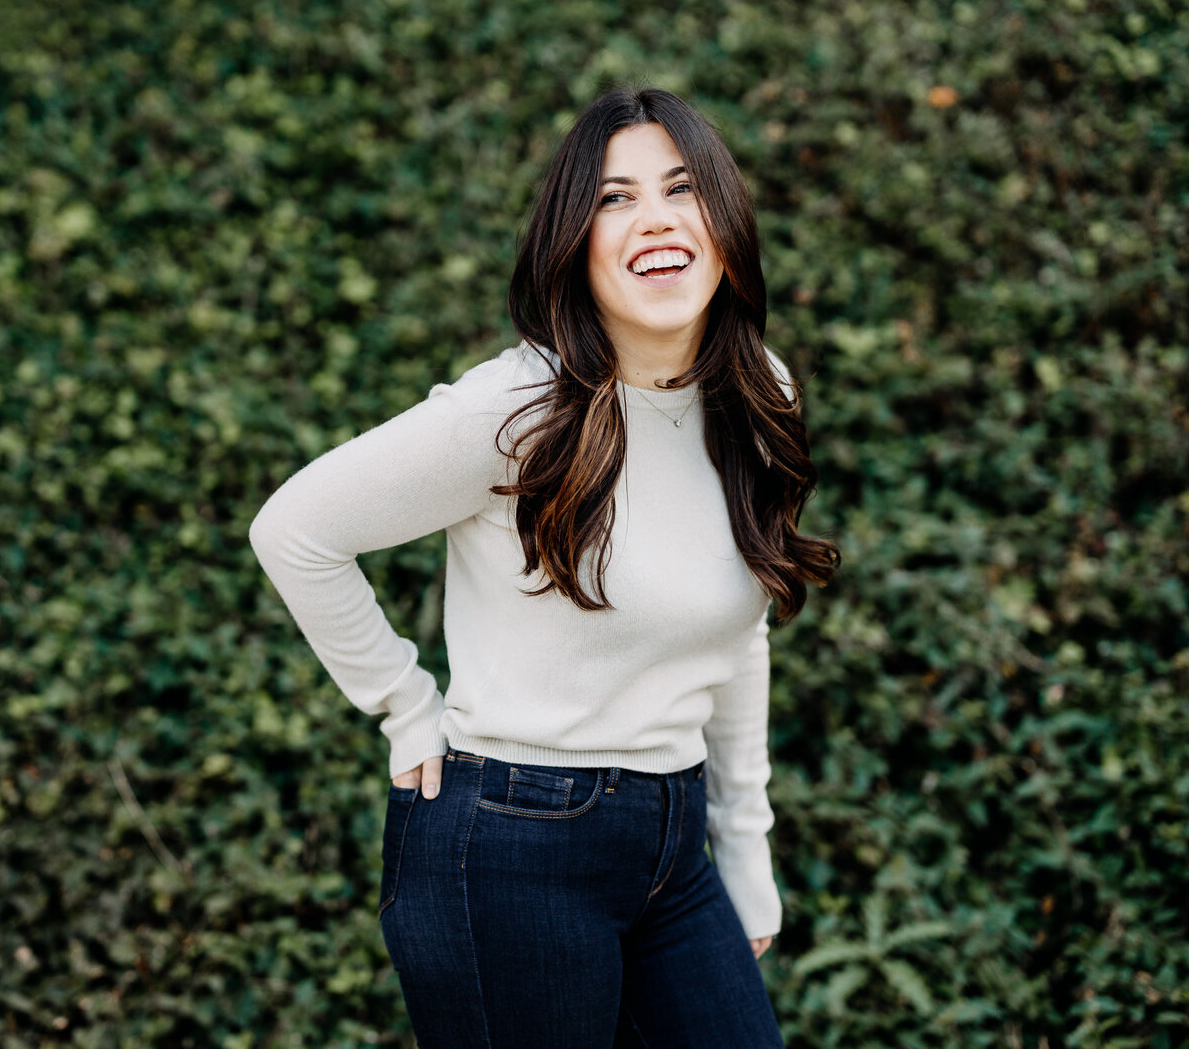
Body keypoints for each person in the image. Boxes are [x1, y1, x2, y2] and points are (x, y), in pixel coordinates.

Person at [248, 85, 840, 1048]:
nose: (654, 217)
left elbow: (740, 630)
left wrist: (744, 838)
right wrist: (404, 705)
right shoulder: (519, 408)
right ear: (576, 241)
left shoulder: (756, 391)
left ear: (724, 223)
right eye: (614, 198)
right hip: (510, 846)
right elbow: (296, 529)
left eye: (682, 188)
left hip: (670, 844)